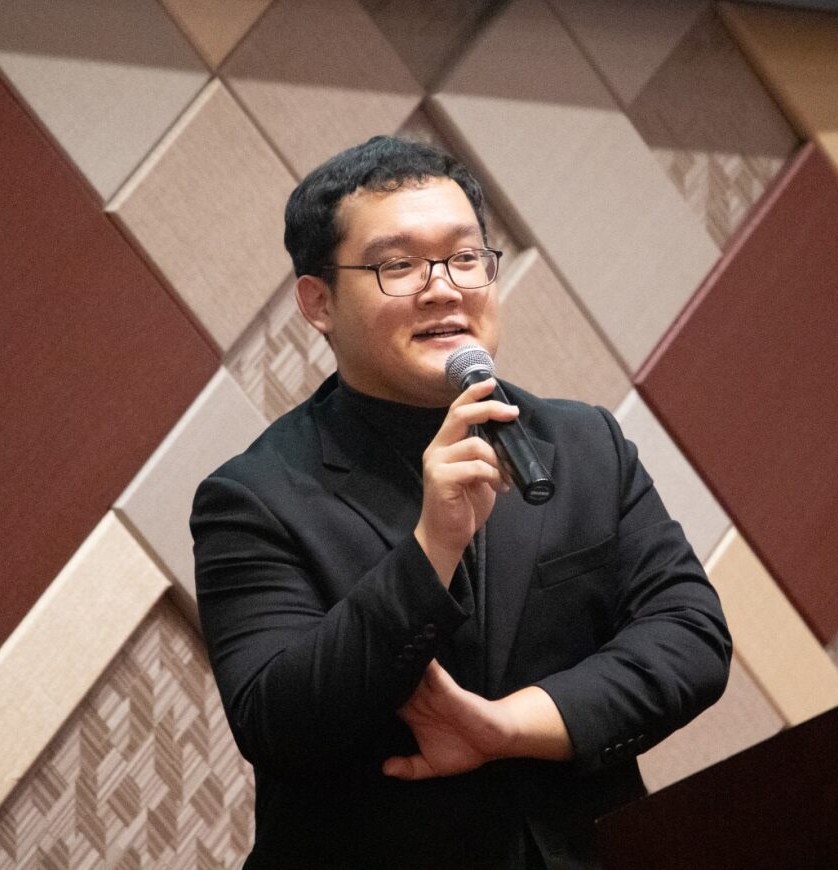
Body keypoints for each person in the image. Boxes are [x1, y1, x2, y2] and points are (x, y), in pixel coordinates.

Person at [190, 135, 732, 869]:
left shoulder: (582, 443)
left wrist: (507, 727)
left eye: (465, 257)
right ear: (317, 302)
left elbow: (690, 636)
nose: (443, 286)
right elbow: (278, 722)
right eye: (398, 265)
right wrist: (431, 548)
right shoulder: (254, 497)